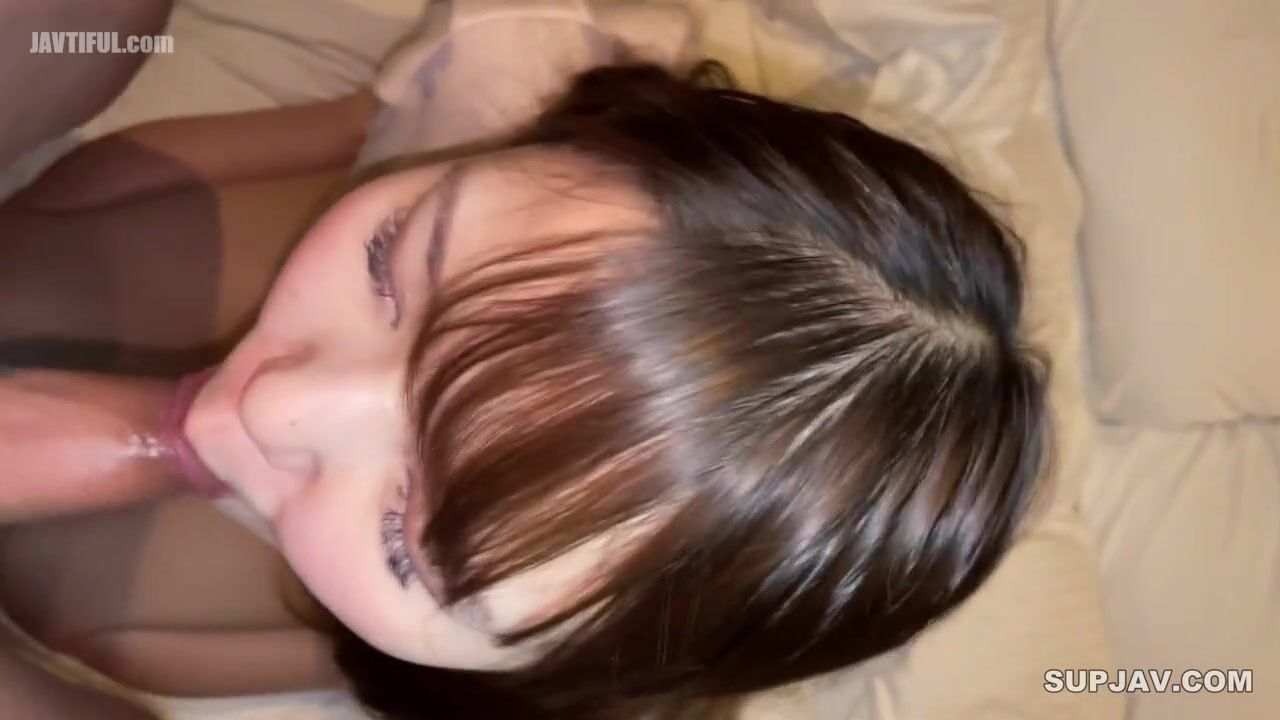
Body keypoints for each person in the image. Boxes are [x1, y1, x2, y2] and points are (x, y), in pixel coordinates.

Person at [0, 3, 1049, 719]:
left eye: (408, 539)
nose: (274, 406)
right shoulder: (515, 141)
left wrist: (143, 443)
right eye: (392, 265)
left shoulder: (135, 626)